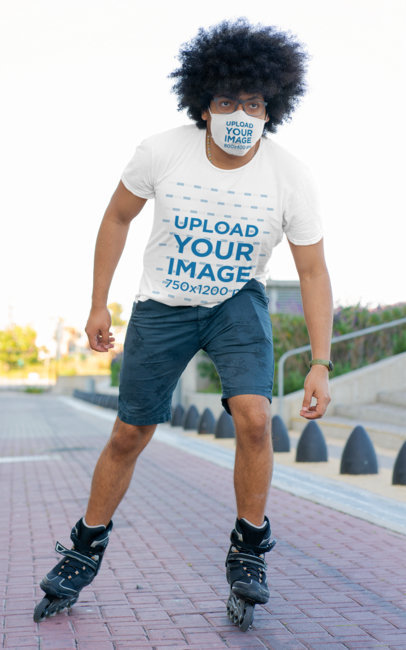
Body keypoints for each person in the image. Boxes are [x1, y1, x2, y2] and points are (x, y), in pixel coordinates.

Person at [34, 18, 333, 628]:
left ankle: (249, 548)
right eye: (227, 101)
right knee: (129, 434)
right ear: (203, 106)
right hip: (162, 305)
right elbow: (116, 218)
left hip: (236, 302)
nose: (240, 113)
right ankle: (84, 547)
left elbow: (312, 272)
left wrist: (320, 363)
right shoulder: (161, 151)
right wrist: (99, 303)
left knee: (253, 418)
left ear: (271, 107)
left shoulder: (290, 176)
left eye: (253, 103)